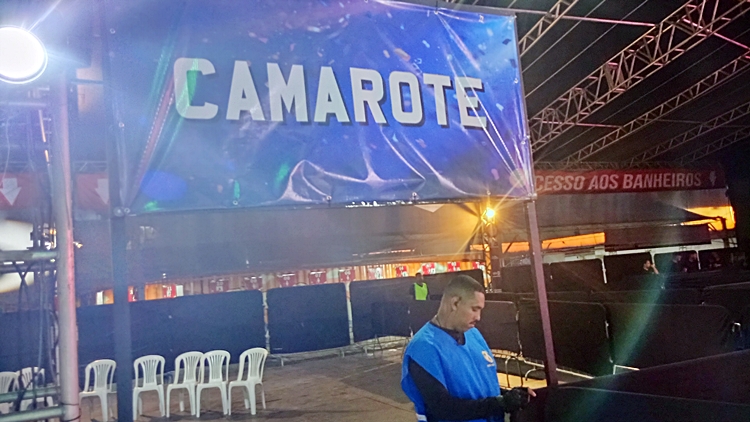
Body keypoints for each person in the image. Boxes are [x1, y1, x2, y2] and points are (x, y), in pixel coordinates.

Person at [401, 275, 535, 422]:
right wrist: (501, 403)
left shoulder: (473, 334)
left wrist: (511, 396)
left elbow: (482, 388)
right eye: (474, 309)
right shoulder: (423, 348)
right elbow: (443, 409)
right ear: (455, 303)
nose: (478, 317)